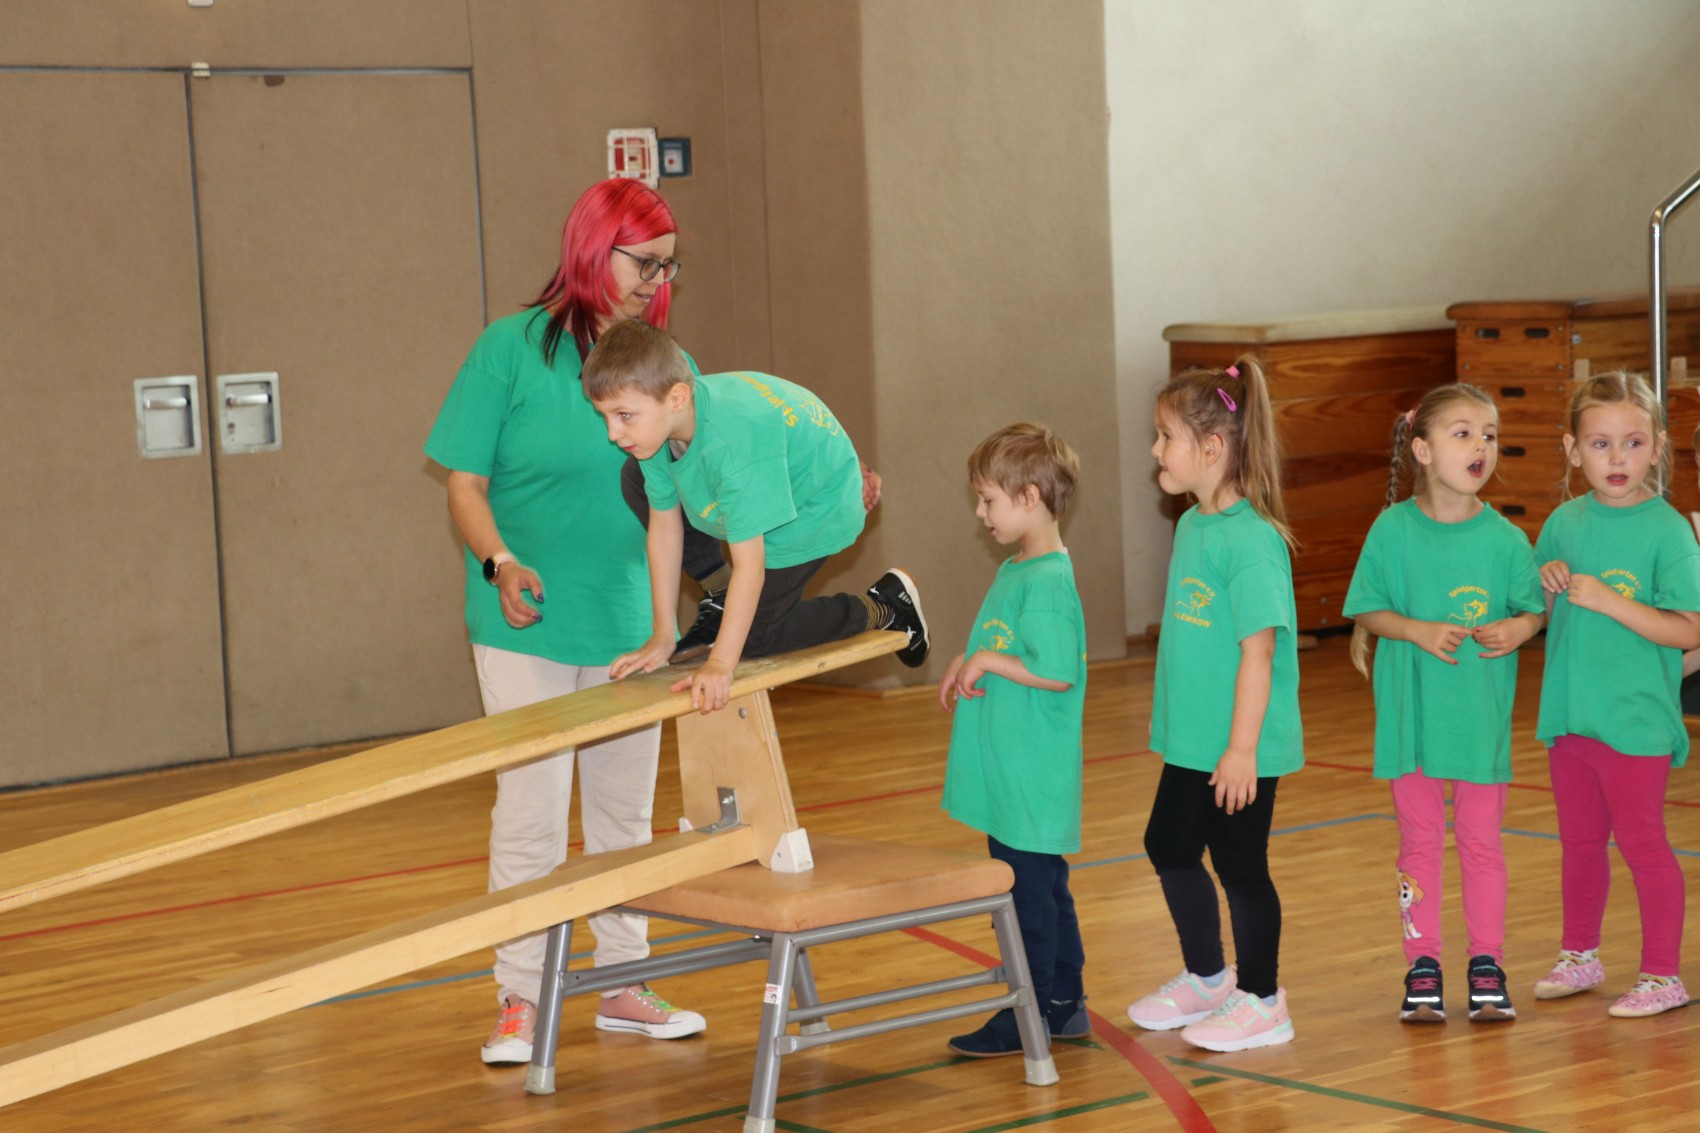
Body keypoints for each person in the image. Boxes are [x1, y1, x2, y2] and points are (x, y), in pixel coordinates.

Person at [424, 178, 705, 1066]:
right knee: (532, 810)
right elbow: (464, 484)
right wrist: (499, 562)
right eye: (643, 262)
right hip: (526, 619)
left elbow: (712, 477)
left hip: (631, 622)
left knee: (624, 813)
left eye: (668, 267)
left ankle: (623, 980)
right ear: (593, 246)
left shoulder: (664, 361)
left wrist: (828, 490)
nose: (655, 281)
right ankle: (522, 994)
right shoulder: (508, 350)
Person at [579, 319, 928, 709]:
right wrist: (663, 632)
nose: (613, 433)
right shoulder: (662, 429)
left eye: (624, 415)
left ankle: (886, 606)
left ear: (676, 398)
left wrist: (721, 664)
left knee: (754, 639)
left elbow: (751, 565)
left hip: (815, 506)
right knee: (635, 478)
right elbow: (664, 528)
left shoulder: (734, 451)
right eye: (605, 416)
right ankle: (722, 591)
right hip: (768, 476)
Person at [1342, 384, 1544, 1023]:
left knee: (1483, 844)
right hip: (1412, 724)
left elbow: (1532, 611)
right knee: (1419, 844)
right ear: (1423, 450)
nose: (1481, 445)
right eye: (1463, 433)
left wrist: (1520, 629)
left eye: (1489, 434)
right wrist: (1416, 630)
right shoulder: (1392, 529)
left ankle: (1487, 963)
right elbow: (1367, 608)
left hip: (1477, 723)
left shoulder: (1507, 540)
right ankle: (1422, 965)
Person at [1126, 357, 1303, 1052]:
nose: (1155, 450)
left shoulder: (1252, 541)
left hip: (1239, 744)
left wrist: (1242, 750)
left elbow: (1258, 654)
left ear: (1211, 448)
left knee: (1239, 865)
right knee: (1168, 843)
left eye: (1165, 437)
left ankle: (1263, 998)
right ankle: (1206, 976)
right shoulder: (1192, 525)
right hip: (1196, 737)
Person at [1532, 370, 1700, 1018]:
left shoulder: (1667, 532)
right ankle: (1580, 954)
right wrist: (1547, 584)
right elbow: (1547, 618)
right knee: (1579, 844)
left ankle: (1663, 974)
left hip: (1635, 719)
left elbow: (1688, 628)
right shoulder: (1563, 522)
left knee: (1643, 843)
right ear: (1573, 450)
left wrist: (1611, 600)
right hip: (1572, 716)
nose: (1617, 458)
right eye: (1600, 444)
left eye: (1633, 442)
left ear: (1656, 447)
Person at [936, 423, 1090, 1057]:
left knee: (1028, 898)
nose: (981, 513)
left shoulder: (1046, 582)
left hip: (1032, 773)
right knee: (1045, 887)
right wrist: (969, 657)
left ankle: (1032, 1012)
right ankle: (1065, 1003)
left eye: (988, 500)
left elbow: (1056, 670)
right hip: (1015, 769)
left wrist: (987, 662)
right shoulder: (1020, 568)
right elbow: (1005, 642)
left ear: (1030, 498)